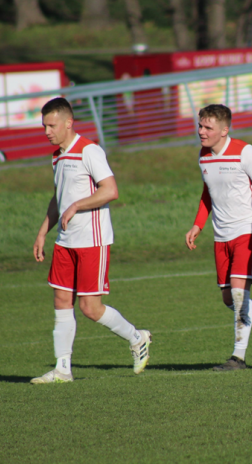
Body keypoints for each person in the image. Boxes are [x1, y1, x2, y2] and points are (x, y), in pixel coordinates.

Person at [31, 97, 151, 383]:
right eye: (44, 126)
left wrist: (76, 206)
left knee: (89, 308)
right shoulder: (57, 156)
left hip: (91, 240)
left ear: (68, 123)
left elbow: (110, 190)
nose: (47, 131)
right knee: (61, 300)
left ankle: (137, 338)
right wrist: (42, 232)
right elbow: (59, 198)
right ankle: (62, 370)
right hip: (65, 240)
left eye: (51, 125)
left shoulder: (89, 150)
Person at [185, 104, 252, 371]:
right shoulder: (204, 155)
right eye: (200, 126)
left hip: (249, 229)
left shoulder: (246, 152)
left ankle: (238, 358)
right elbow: (208, 191)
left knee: (238, 292)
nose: (201, 132)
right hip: (221, 236)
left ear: (225, 130)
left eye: (208, 127)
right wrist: (198, 224)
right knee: (228, 299)